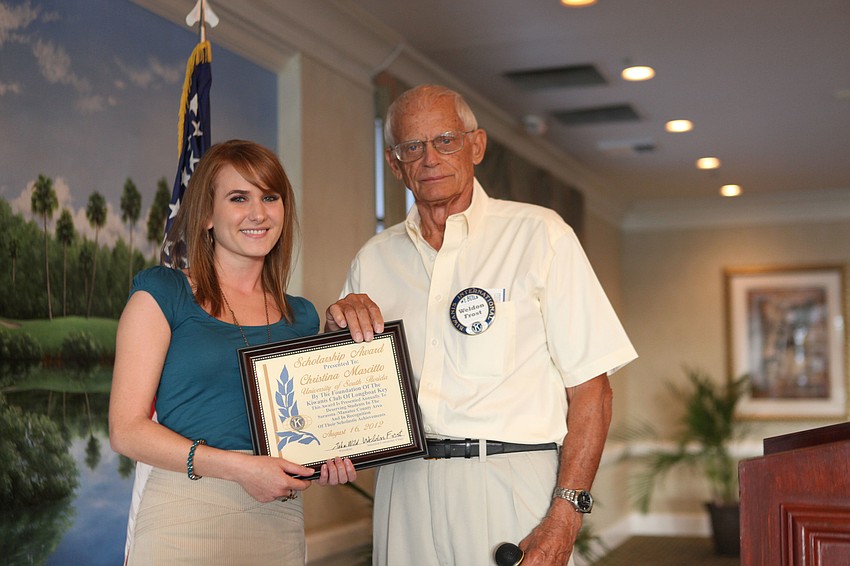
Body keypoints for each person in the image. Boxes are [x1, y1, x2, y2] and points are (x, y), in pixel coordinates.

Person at [326, 85, 637, 566]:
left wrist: (566, 514)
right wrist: (334, 336)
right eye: (413, 147)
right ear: (394, 163)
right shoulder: (373, 260)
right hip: (403, 488)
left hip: (511, 482)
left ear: (477, 145)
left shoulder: (540, 235)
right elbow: (345, 393)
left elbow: (592, 390)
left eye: (446, 140)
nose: (430, 158)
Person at [109, 139, 356, 565]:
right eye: (238, 198)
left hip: (276, 524)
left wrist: (326, 459)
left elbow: (301, 430)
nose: (258, 213)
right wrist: (240, 469)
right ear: (207, 214)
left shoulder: (302, 316)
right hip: (181, 520)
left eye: (270, 197)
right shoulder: (162, 293)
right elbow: (126, 430)